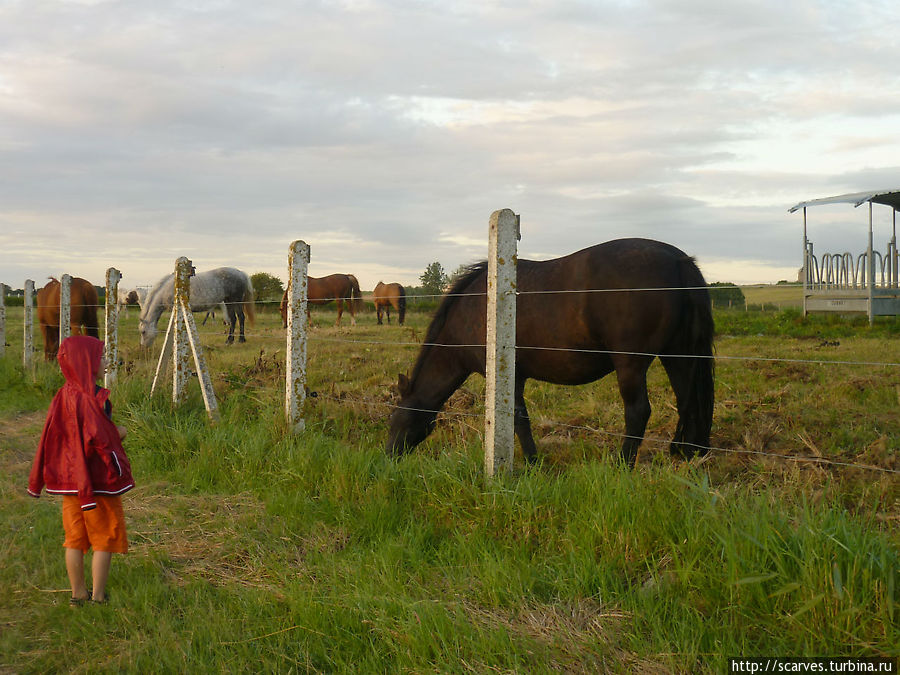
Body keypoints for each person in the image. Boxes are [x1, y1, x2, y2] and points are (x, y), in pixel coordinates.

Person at [27, 335, 134, 606]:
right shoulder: (96, 398)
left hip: (71, 480)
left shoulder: (62, 395)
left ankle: (78, 594)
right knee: (104, 536)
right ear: (87, 363)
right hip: (97, 481)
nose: (106, 361)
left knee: (74, 537)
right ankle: (98, 596)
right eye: (101, 356)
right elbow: (102, 438)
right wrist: (121, 432)